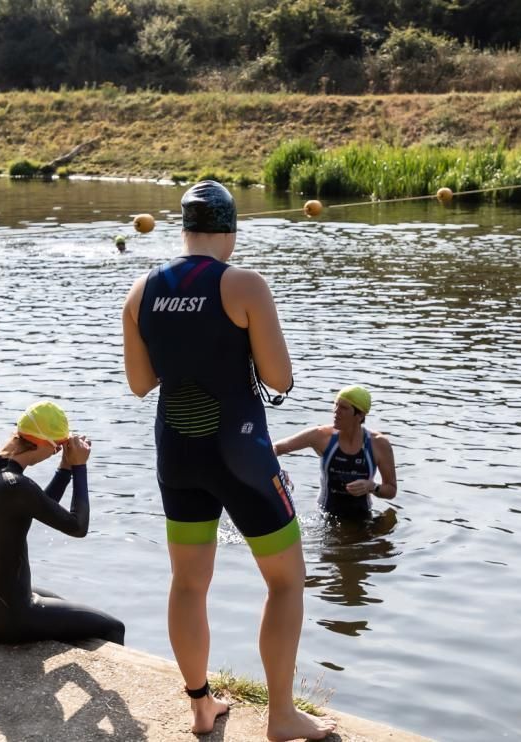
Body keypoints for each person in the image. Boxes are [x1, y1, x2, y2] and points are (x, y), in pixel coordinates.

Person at [122, 180, 336, 740]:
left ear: (185, 231)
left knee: (188, 583)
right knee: (287, 581)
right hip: (239, 454)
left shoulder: (141, 291)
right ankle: (282, 716)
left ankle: (201, 707)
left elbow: (141, 384)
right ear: (231, 232)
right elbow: (279, 378)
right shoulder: (244, 285)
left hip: (176, 451)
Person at [0, 401, 125, 645]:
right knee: (113, 628)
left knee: (65, 607)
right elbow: (77, 526)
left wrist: (64, 469)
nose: (57, 453)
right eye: (58, 448)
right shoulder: (15, 485)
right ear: (42, 443)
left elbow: (38, 506)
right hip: (9, 618)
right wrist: (80, 467)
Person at [273, 386, 397, 519]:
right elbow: (275, 448)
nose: (336, 412)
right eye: (336, 405)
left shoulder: (379, 444)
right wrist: (276, 470)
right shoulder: (320, 436)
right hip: (325, 516)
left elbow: (391, 490)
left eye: (343, 408)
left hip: (363, 517)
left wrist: (372, 487)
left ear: (360, 415)